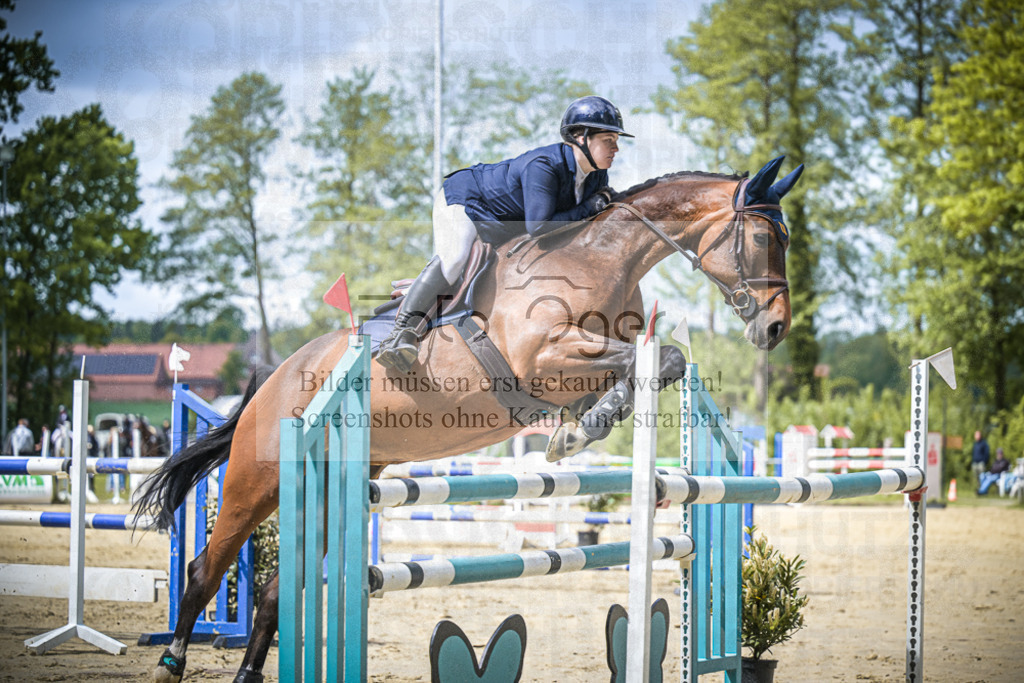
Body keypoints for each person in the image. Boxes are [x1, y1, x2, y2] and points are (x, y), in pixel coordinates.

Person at [376, 95, 632, 373]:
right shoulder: (544, 166)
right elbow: (540, 227)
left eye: (616, 140)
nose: (616, 147)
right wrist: (589, 208)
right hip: (468, 201)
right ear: (580, 137)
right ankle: (401, 333)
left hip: (504, 223)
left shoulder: (596, 176)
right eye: (608, 139)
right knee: (454, 259)